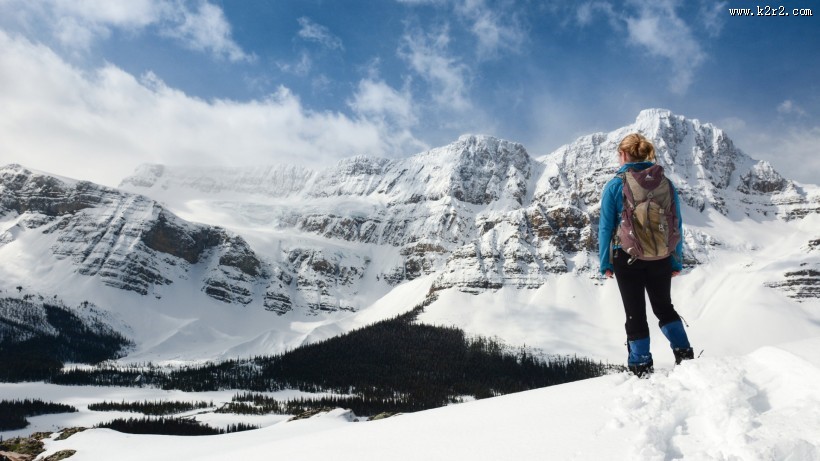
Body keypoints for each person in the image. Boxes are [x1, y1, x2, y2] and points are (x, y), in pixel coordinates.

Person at [598, 133, 694, 377]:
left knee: (635, 312)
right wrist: (675, 259)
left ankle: (641, 365)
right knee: (664, 307)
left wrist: (605, 262)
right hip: (660, 256)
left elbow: (606, 227)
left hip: (626, 257)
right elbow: (676, 224)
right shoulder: (666, 183)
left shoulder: (615, 184)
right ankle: (685, 355)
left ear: (623, 154)